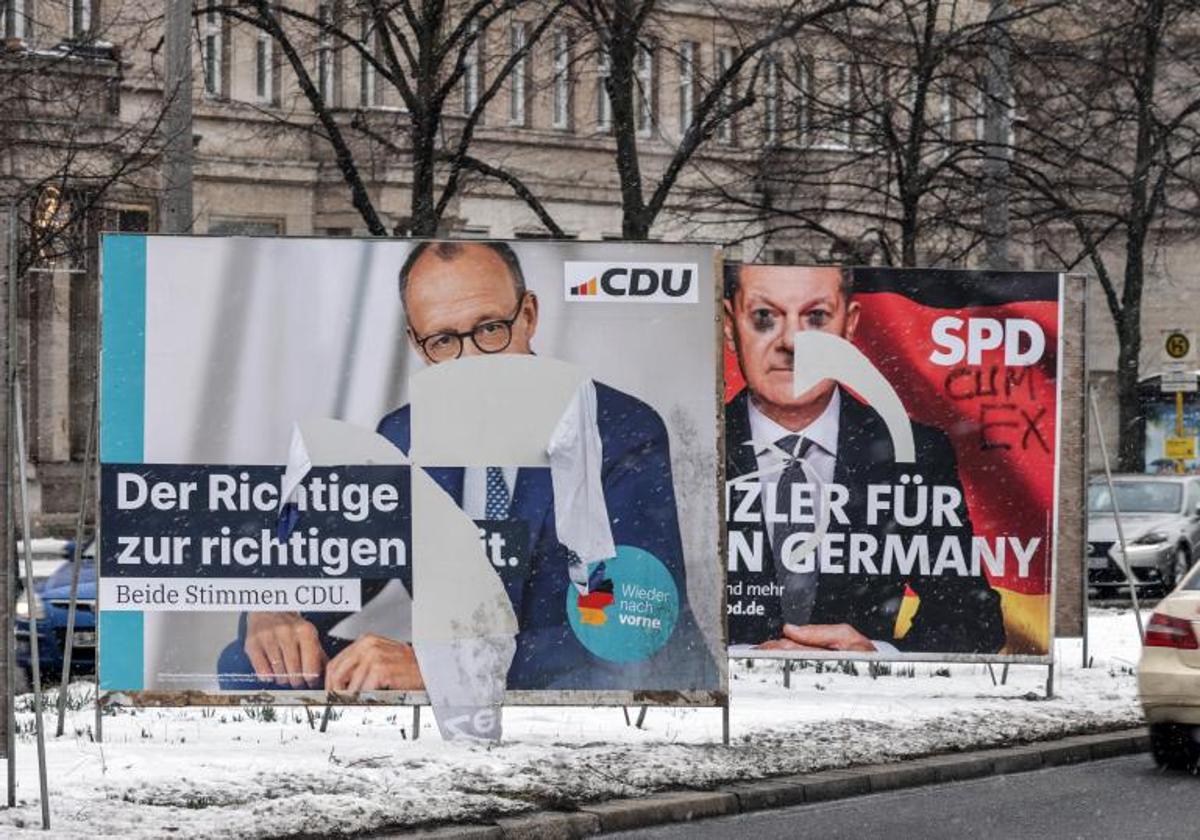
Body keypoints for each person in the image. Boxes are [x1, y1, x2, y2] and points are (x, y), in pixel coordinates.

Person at [219, 241, 715, 691]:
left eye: (489, 329)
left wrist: (445, 669)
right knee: (252, 662)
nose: (472, 359)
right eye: (443, 341)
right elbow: (330, 567)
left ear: (529, 316)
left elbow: (630, 631)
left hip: (603, 692)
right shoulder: (403, 436)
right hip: (471, 706)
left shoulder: (621, 432)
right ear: (418, 345)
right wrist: (276, 607)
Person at [724, 264, 1006, 654]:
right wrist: (734, 658)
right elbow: (642, 606)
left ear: (850, 325)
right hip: (731, 709)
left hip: (865, 702)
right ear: (728, 324)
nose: (792, 342)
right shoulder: (686, 449)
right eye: (763, 317)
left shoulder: (914, 452)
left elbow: (973, 621)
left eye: (817, 317)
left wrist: (877, 658)